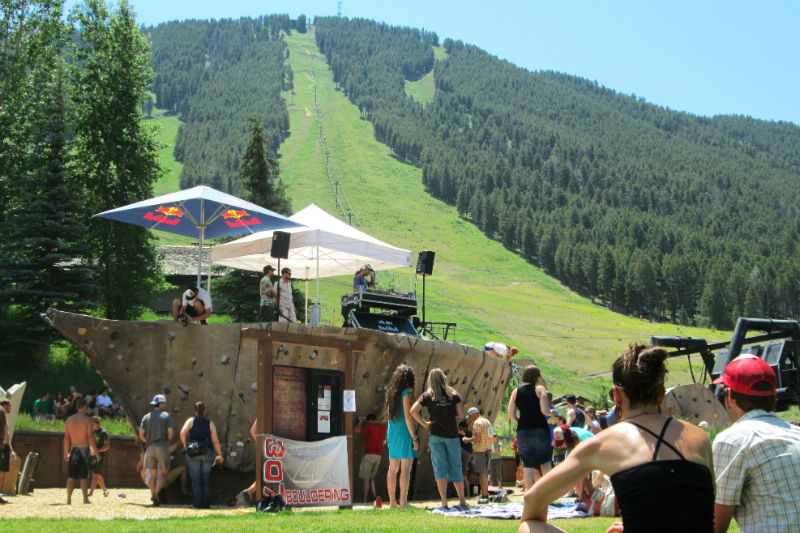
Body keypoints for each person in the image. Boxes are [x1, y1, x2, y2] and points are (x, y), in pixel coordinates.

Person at [519, 342, 715, 533]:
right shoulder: (700, 438)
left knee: (528, 527)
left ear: (616, 395)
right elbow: (700, 511)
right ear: (661, 395)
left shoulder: (604, 443)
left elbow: (532, 500)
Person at [711, 355, 800, 533]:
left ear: (730, 396)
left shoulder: (733, 440)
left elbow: (716, 525)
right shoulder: (796, 433)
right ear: (773, 395)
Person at [411, 368, 468, 509]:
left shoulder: (427, 396)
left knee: (439, 467)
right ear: (444, 379)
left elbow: (413, 410)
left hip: (435, 434)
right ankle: (461, 499)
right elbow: (461, 415)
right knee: (456, 466)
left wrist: (425, 423)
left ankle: (444, 501)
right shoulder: (453, 394)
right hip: (452, 435)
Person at [508, 365, 554, 490]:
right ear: (537, 377)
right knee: (545, 460)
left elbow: (511, 414)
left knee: (527, 463)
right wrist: (552, 414)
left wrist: (520, 421)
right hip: (540, 428)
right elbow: (545, 410)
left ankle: (529, 493)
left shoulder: (516, 391)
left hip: (523, 429)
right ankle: (548, 491)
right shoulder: (540, 389)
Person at [384, 364, 418, 508]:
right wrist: (414, 437)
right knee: (405, 468)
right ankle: (403, 501)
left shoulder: (389, 392)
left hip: (392, 430)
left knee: (392, 468)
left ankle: (392, 502)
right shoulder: (406, 392)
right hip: (404, 431)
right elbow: (408, 416)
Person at [180, 401, 224, 509]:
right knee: (205, 479)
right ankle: (206, 504)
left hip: (193, 453)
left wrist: (185, 446)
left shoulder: (190, 421)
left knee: (196, 480)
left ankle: (197, 504)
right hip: (206, 452)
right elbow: (215, 441)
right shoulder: (210, 424)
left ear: (195, 411)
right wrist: (220, 454)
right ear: (204, 411)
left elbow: (182, 433)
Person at [139, 394, 175, 506]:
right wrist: (167, 442)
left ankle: (152, 494)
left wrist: (148, 441)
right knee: (164, 473)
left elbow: (141, 435)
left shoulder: (146, 417)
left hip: (149, 448)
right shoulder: (166, 416)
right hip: (161, 445)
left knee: (153, 475)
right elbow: (170, 432)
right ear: (161, 404)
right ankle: (155, 494)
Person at [63, 398, 97, 504]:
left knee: (71, 475)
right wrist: (95, 450)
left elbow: (67, 438)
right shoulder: (88, 420)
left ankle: (68, 499)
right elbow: (90, 437)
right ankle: (85, 498)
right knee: (84, 476)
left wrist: (66, 452)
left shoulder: (69, 420)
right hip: (84, 449)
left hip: (73, 449)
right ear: (85, 407)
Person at [355, 413, 387, 503]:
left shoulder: (369, 427)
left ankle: (365, 499)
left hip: (369, 455)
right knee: (372, 478)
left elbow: (356, 430)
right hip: (378, 456)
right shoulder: (384, 427)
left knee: (366, 479)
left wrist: (360, 422)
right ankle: (374, 496)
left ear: (369, 421)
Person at [463, 407, 492, 502]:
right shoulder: (487, 422)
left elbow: (477, 438)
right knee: (485, 473)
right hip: (488, 450)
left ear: (475, 413)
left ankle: (484, 495)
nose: (470, 418)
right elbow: (491, 436)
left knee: (482, 473)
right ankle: (485, 493)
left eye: (470, 415)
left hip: (480, 451)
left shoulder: (477, 423)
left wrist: (468, 439)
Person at [88, 416, 110, 498]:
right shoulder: (91, 431)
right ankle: (105, 490)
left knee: (96, 474)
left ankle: (91, 492)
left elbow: (107, 446)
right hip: (92, 455)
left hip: (99, 456)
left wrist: (98, 451)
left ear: (96, 423)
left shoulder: (103, 432)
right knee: (95, 474)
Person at [0, 398, 16, 504]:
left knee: (1, 473)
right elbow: (3, 431)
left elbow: (6, 432)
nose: (10, 407)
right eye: (9, 405)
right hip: (1, 446)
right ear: (4, 405)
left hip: (4, 446)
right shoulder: (0, 411)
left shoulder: (2, 413)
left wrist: (10, 449)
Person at [457, 420, 474, 496]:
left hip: (466, 455)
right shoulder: (461, 435)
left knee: (464, 476)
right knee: (463, 475)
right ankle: (466, 493)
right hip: (466, 456)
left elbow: (462, 433)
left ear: (465, 428)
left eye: (461, 428)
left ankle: (467, 493)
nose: (460, 429)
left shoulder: (468, 433)